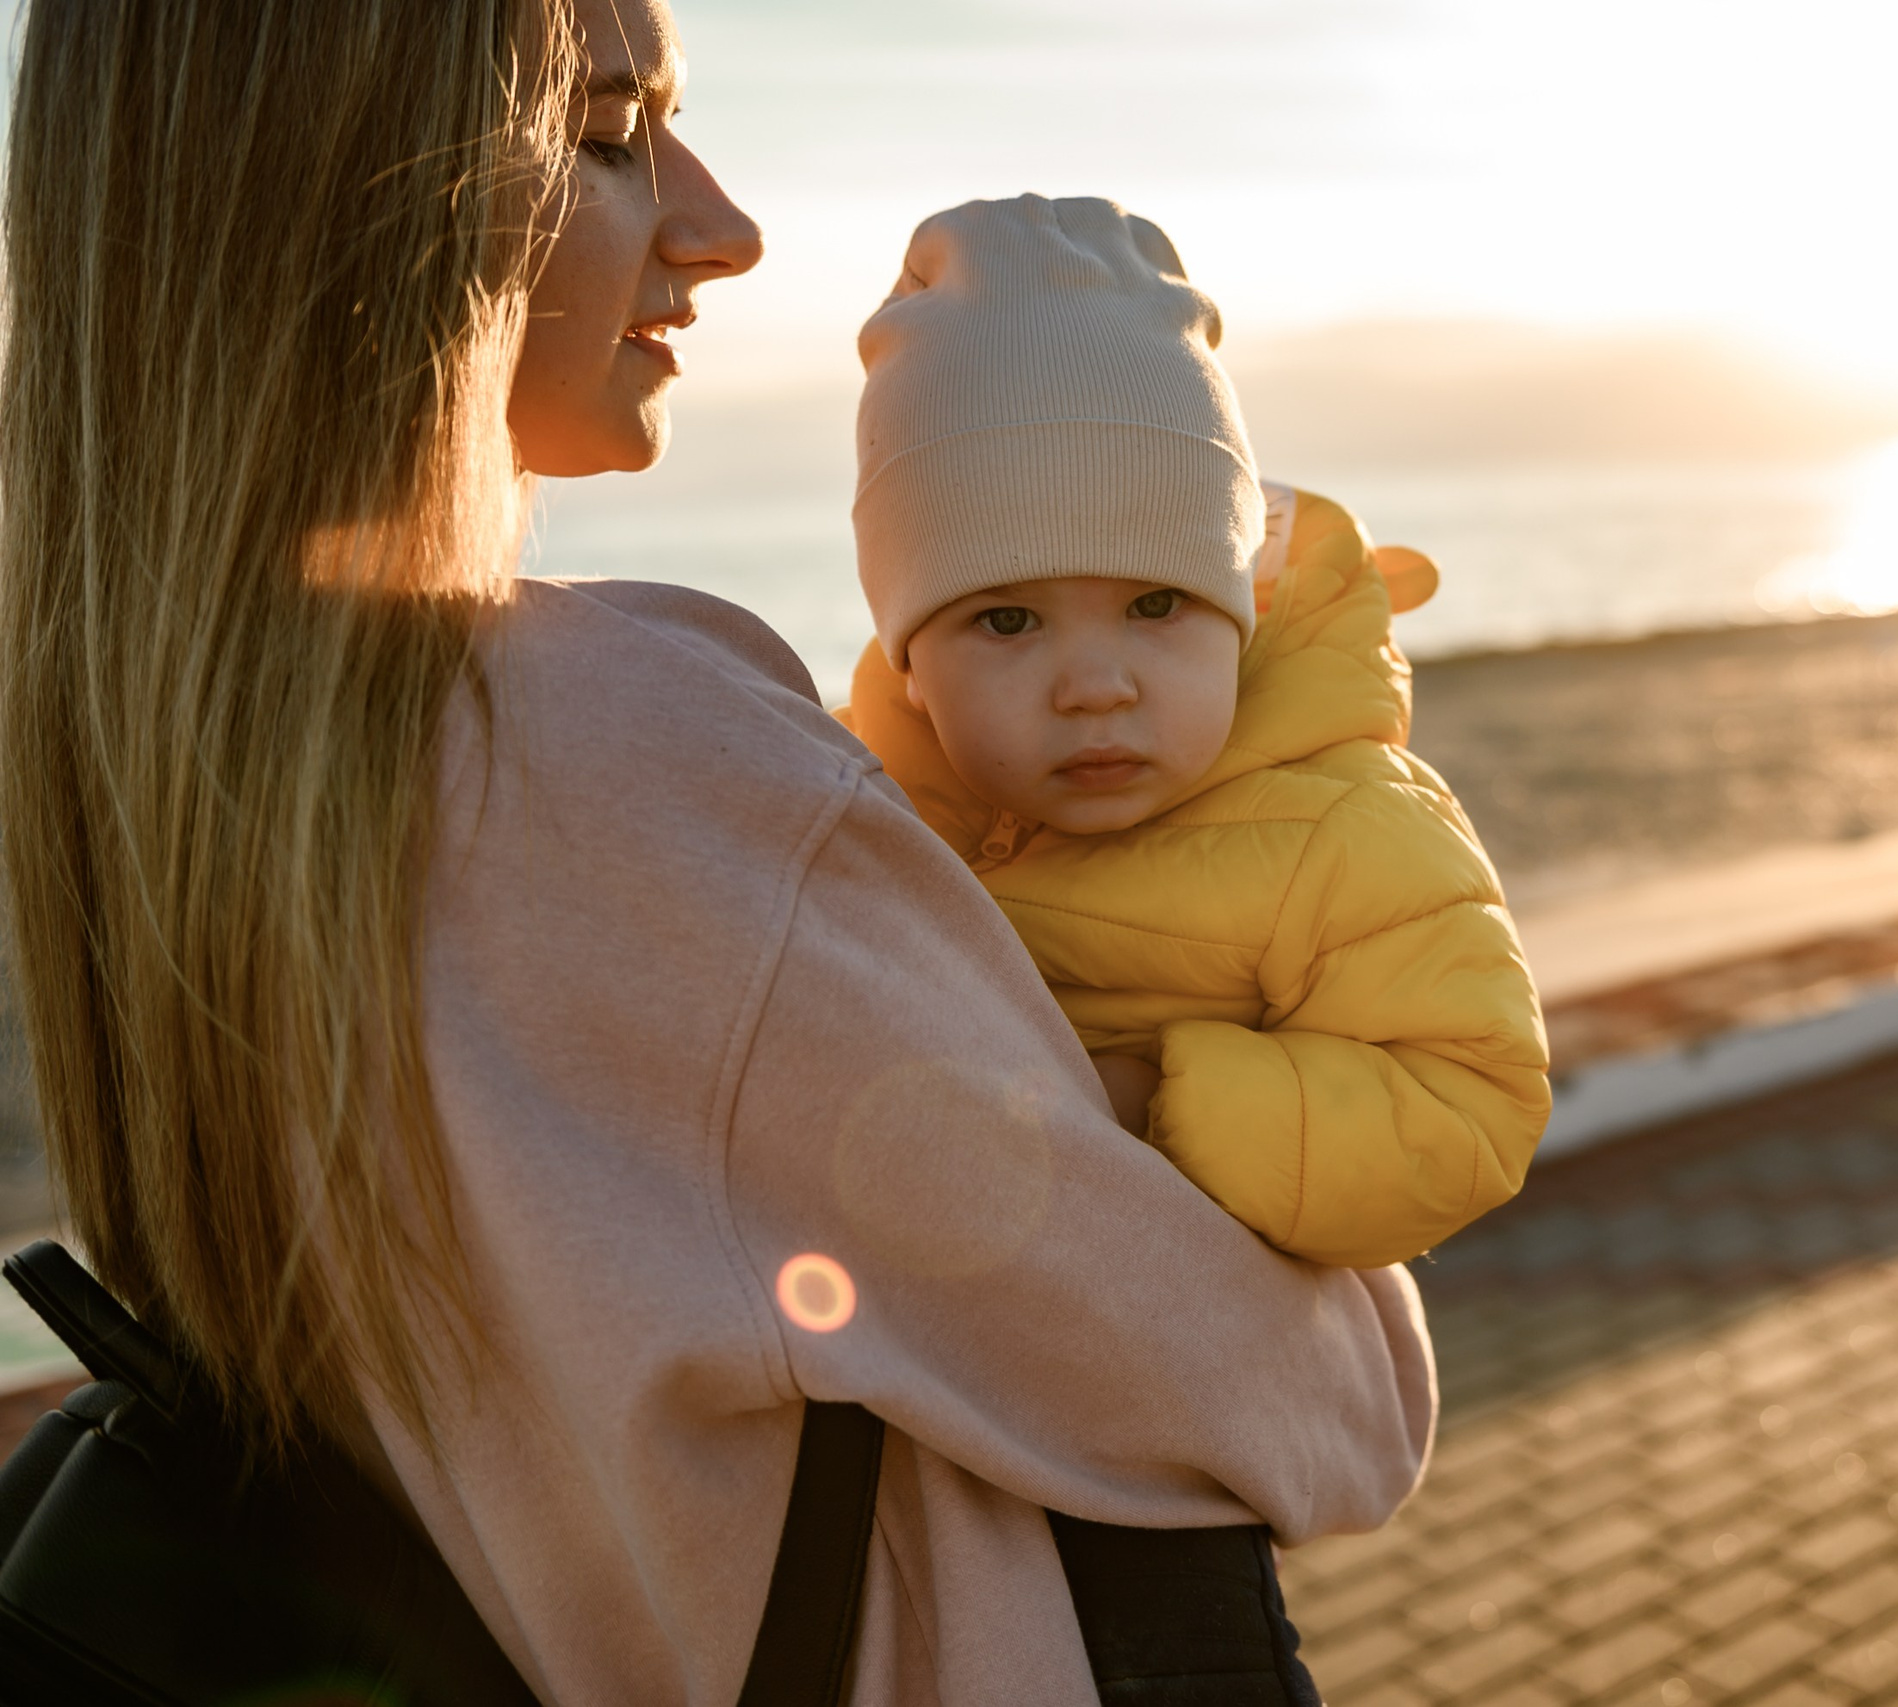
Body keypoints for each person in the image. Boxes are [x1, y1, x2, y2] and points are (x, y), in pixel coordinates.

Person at [0, 3, 1436, 1704]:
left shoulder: (158, 772)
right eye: (607, 134)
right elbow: (1321, 1411)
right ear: (357, 201)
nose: (723, 224)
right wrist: (1166, 1099)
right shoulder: (620, 756)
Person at [841, 196, 1549, 1695]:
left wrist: (1156, 1098)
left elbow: (1469, 1101)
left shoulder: (1343, 826)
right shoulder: (878, 812)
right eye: (1006, 622)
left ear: (1237, 610)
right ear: (911, 648)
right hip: (932, 1455)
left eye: (1158, 605)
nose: (1093, 682)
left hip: (1163, 1506)